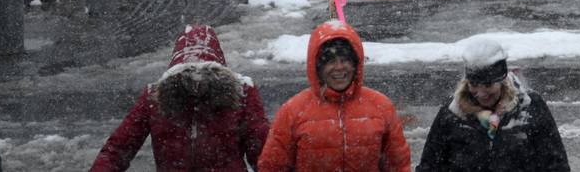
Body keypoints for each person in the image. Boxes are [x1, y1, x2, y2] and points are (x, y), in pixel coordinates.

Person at [91, 25, 270, 172]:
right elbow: (118, 149)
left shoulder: (243, 93)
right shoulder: (155, 97)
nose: (196, 80)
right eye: (188, 73)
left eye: (205, 73)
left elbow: (264, 155)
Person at [258, 20, 411, 172]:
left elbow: (398, 165)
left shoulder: (381, 106)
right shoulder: (293, 111)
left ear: (355, 64)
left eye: (345, 60)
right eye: (330, 61)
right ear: (318, 67)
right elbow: (272, 166)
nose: (339, 68)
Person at [415, 38, 569, 172]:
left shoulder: (530, 107)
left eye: (488, 85)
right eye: (474, 84)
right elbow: (430, 166)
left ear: (502, 81)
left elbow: (555, 164)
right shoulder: (452, 113)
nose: (481, 93)